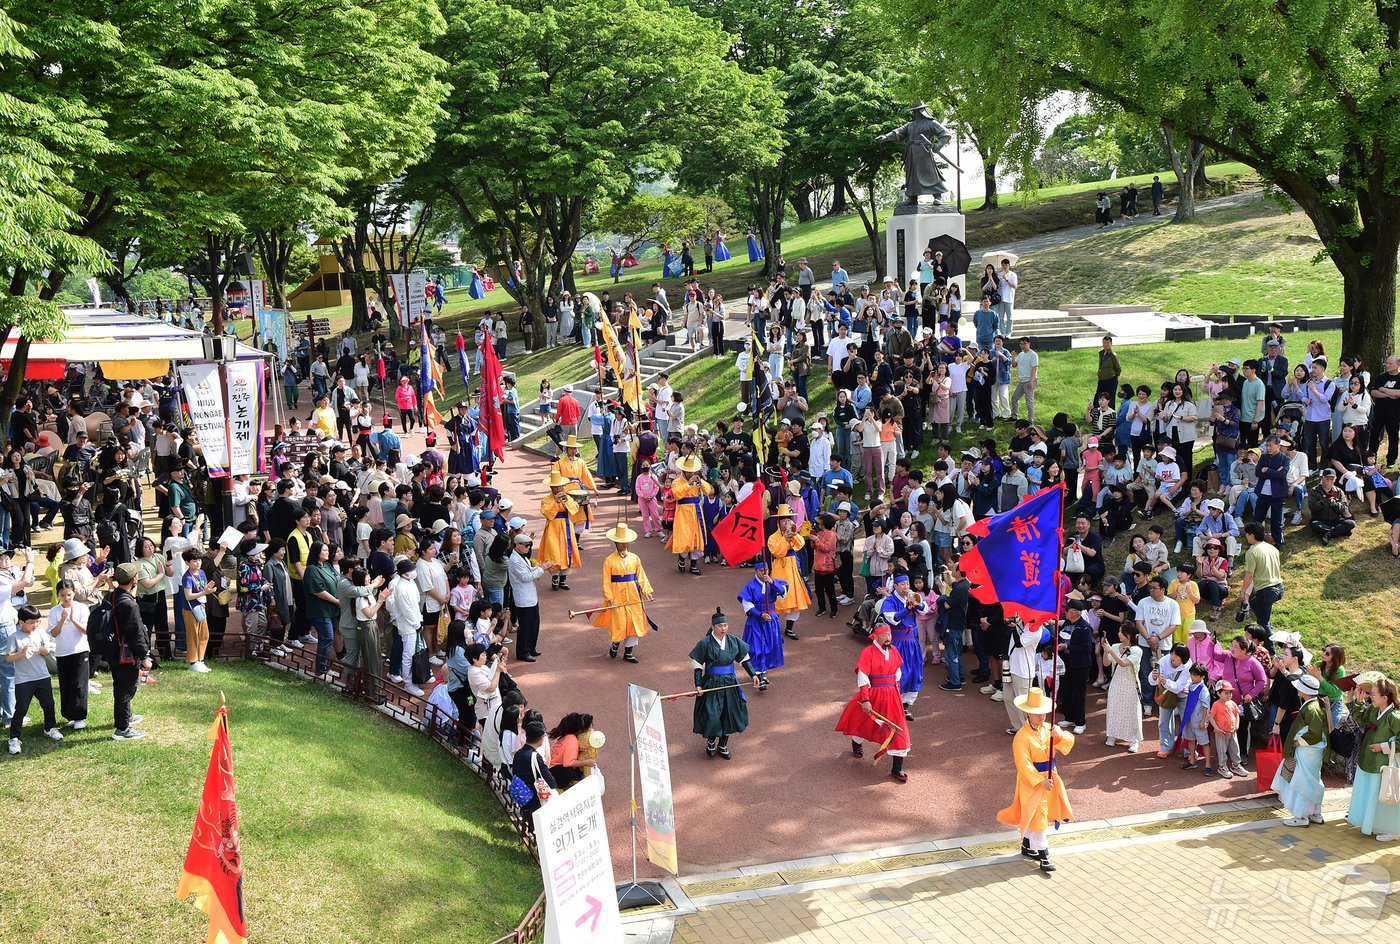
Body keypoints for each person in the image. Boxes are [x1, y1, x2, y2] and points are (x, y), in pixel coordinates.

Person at [996, 687, 1074, 873]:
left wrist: (1060, 735)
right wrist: (1039, 781)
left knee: (1036, 813)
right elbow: (1023, 764)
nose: (1042, 717)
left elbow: (1066, 745)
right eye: (1038, 714)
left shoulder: (1049, 729)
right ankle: (1044, 855)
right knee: (1038, 815)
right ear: (1028, 713)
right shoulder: (1021, 737)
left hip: (1050, 777)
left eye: (1044, 713)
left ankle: (1028, 845)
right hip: (1033, 782)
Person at [835, 619, 911, 782]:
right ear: (875, 636)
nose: (888, 637)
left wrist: (897, 691)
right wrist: (865, 700)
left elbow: (898, 672)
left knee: (898, 728)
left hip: (892, 696)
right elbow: (863, 678)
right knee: (864, 723)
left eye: (889, 634)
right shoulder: (867, 653)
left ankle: (897, 768)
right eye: (884, 635)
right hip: (874, 694)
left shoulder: (894, 650)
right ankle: (857, 743)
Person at [689, 608, 760, 760]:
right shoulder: (705, 643)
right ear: (713, 626)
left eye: (726, 625)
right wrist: (698, 684)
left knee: (730, 714)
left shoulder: (734, 641)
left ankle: (723, 745)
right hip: (712, 683)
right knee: (712, 714)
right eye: (720, 626)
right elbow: (698, 666)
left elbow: (745, 660)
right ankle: (711, 742)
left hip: (729, 682)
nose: (724, 628)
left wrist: (753, 674)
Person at [1346, 676, 1400, 842]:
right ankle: (1376, 825)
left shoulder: (1395, 717)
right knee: (1372, 796)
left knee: (1386, 797)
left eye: (1374, 694)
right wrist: (1359, 703)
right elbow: (1360, 718)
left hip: (1383, 764)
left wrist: (1382, 746)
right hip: (1368, 760)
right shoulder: (1373, 710)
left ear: (1385, 697)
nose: (1371, 696)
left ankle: (1393, 828)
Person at [5, 605, 63, 754]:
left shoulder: (41, 633)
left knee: (49, 704)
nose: (35, 625)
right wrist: (21, 653)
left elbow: (47, 650)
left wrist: (41, 650)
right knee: (22, 709)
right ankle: (14, 738)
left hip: (42, 676)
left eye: (37, 621)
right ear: (21, 622)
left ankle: (50, 728)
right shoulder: (14, 637)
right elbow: (8, 658)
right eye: (32, 622)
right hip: (24, 680)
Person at [595, 524, 653, 664]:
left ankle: (629, 652)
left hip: (633, 593)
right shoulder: (609, 560)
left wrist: (647, 591)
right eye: (621, 542)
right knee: (619, 621)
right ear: (615, 543)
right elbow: (606, 581)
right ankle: (616, 642)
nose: (624, 545)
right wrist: (609, 597)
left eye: (626, 542)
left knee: (634, 621)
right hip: (617, 594)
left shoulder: (635, 558)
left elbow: (641, 575)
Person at [1276, 674, 1328, 827]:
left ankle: (1301, 816)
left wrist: (1299, 741)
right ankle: (1314, 813)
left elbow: (1315, 732)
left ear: (1304, 690)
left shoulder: (1311, 708)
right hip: (1312, 751)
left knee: (1301, 781)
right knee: (1312, 780)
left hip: (1306, 749)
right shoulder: (1315, 705)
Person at [878, 575, 931, 718]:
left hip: (912, 642)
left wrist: (917, 603)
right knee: (898, 674)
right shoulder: (889, 601)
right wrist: (907, 608)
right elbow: (893, 619)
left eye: (907, 584)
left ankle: (905, 706)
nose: (906, 587)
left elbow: (925, 610)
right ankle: (893, 704)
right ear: (895, 586)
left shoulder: (913, 596)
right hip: (897, 643)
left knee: (914, 673)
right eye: (902, 584)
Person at [110, 562, 151, 741]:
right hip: (126, 655)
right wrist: (144, 656)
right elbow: (135, 633)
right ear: (134, 579)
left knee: (121, 685)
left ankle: (126, 716)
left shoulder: (112, 596)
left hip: (113, 651)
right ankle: (122, 728)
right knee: (125, 690)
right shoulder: (129, 604)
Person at [47, 580, 90, 731]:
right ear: (58, 595)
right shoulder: (54, 611)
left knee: (79, 684)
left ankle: (80, 716)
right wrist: (62, 620)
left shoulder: (81, 608)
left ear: (74, 593)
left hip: (80, 650)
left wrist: (73, 620)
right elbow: (53, 633)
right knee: (65, 684)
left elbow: (86, 630)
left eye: (69, 595)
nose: (66, 598)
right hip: (62, 652)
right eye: (63, 595)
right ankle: (69, 715)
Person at [737, 561, 785, 690]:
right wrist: (760, 614)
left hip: (771, 620)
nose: (764, 573)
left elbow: (782, 594)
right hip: (756, 620)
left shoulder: (773, 582)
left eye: (767, 570)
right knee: (757, 646)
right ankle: (759, 675)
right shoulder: (750, 586)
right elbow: (747, 605)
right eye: (761, 571)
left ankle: (763, 671)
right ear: (755, 572)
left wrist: (772, 582)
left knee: (770, 645)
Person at [767, 503, 811, 640]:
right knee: (778, 599)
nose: (786, 523)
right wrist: (784, 538)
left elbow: (800, 545)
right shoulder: (773, 537)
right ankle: (774, 628)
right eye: (783, 520)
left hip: (793, 569)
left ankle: (789, 628)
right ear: (778, 522)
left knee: (794, 598)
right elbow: (777, 552)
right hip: (779, 569)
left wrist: (793, 534)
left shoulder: (793, 533)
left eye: (788, 520)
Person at [507, 532, 550, 662]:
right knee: (525, 626)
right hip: (523, 598)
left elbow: (529, 571)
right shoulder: (514, 560)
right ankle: (523, 651)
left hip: (530, 597)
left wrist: (539, 568)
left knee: (533, 624)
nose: (528, 548)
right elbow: (525, 577)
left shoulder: (523, 557)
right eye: (526, 545)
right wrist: (541, 569)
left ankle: (531, 647)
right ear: (518, 545)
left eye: (529, 545)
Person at [668, 456, 713, 575]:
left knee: (697, 536)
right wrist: (688, 484)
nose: (691, 473)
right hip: (682, 512)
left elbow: (708, 491)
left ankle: (694, 563)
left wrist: (701, 482)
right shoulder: (677, 482)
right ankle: (682, 558)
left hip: (695, 511)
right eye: (689, 471)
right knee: (684, 536)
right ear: (683, 470)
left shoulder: (696, 479)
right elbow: (677, 494)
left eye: (693, 471)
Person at [1103, 622, 1143, 752]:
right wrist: (1105, 650)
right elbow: (1106, 663)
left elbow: (1123, 663)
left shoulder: (1137, 650)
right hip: (1116, 682)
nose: (1119, 634)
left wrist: (1110, 650)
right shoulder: (1114, 646)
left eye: (1121, 632)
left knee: (1132, 710)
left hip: (1131, 683)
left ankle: (1134, 739)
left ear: (1129, 634)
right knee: (1114, 708)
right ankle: (1112, 735)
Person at [538, 471, 581, 591]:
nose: (558, 489)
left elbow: (574, 509)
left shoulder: (567, 497)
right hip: (553, 527)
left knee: (566, 552)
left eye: (560, 486)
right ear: (551, 487)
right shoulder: (546, 499)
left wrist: (566, 501)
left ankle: (563, 579)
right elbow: (546, 513)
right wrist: (556, 503)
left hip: (566, 526)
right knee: (553, 552)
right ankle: (554, 576)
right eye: (555, 487)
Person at [1239, 522, 1284, 630]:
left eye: (1247, 534)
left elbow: (1249, 575)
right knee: (1254, 603)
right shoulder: (1272, 548)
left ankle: (1269, 645)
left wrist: (1243, 591)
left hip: (1266, 591)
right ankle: (1268, 627)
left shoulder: (1252, 552)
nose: (1246, 536)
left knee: (1263, 624)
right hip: (1280, 587)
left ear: (1252, 536)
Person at [510, 720, 555, 821]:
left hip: (523, 796)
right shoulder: (535, 756)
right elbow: (550, 780)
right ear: (541, 739)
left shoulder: (519, 753)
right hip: (535, 799)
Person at [1210, 679, 1248, 779]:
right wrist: (1216, 728)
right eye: (1226, 693)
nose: (1229, 695)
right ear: (1218, 693)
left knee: (1235, 749)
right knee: (1222, 749)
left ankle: (1236, 765)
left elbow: (1237, 715)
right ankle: (1222, 766)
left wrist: (1237, 725)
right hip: (1221, 733)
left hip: (1232, 731)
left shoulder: (1232, 703)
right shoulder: (1216, 705)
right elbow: (1211, 717)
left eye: (1230, 693)